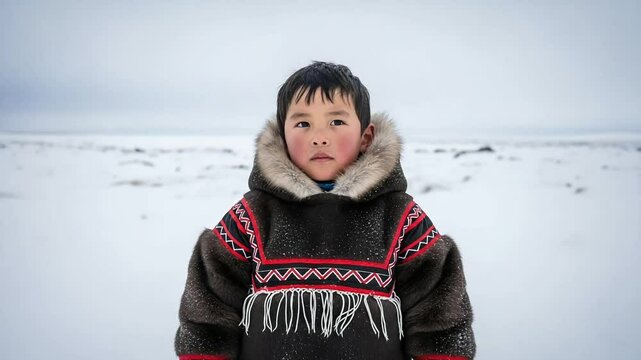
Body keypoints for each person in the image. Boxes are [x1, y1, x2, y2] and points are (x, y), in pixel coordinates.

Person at [174, 61, 476, 360]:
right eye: (303, 124)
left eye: (337, 122)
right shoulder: (252, 215)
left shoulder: (399, 216)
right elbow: (208, 311)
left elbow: (440, 313)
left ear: (366, 137)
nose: (319, 136)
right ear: (283, 135)